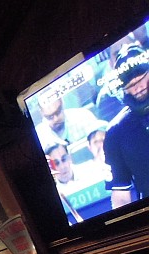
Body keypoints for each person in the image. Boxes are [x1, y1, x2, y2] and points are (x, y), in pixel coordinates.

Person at [104, 43, 149, 209]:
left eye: (141, 78)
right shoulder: (116, 132)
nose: (138, 87)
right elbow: (120, 194)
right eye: (130, 84)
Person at [33, 91, 100, 152]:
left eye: (58, 112)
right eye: (50, 117)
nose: (56, 119)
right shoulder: (38, 136)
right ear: (41, 113)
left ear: (62, 102)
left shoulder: (83, 116)